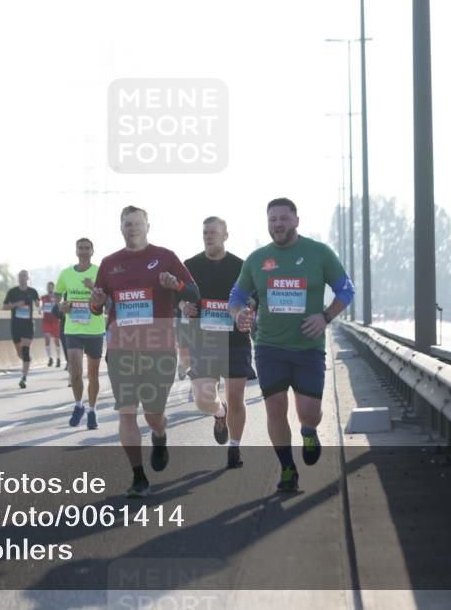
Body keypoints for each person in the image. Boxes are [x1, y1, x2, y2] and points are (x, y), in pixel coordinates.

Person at [228, 198, 354, 492]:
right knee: (275, 408)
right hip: (269, 347)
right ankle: (287, 468)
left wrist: (325, 317)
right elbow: (236, 296)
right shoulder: (257, 259)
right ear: (267, 223)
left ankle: (309, 431)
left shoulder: (319, 253)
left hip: (309, 347)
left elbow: (346, 289)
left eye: (284, 218)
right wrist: (239, 314)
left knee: (308, 412)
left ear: (296, 220)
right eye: (273, 219)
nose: (278, 224)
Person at [90, 206, 199, 498]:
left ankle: (160, 435)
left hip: (158, 347)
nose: (132, 228)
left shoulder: (165, 257)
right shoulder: (110, 263)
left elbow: (193, 294)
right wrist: (96, 300)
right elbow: (96, 305)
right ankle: (138, 477)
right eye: (127, 224)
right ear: (120, 227)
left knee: (153, 414)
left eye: (137, 223)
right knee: (127, 413)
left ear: (148, 226)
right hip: (121, 349)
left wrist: (174, 284)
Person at [180, 217, 254, 469]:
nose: (208, 236)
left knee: (236, 397)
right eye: (205, 233)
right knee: (203, 399)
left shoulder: (240, 266)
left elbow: (254, 299)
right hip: (203, 341)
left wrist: (247, 309)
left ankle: (235, 447)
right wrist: (182, 305)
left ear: (225, 235)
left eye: (213, 232)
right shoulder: (190, 266)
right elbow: (176, 298)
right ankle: (219, 413)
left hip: (235, 340)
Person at [55, 237, 106, 430]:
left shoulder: (99, 272)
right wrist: (61, 305)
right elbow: (58, 294)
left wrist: (92, 288)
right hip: (73, 329)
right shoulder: (66, 274)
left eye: (87, 248)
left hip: (94, 329)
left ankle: (92, 410)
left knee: (93, 375)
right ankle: (79, 405)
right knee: (75, 373)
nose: (84, 251)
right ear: (76, 251)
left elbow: (107, 298)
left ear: (92, 251)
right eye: (80, 248)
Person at [3, 270, 40, 389]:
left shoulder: (32, 291)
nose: (22, 278)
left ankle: (23, 378)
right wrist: (15, 305)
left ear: (28, 278)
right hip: (16, 325)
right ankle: (27, 362)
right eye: (20, 276)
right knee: (19, 352)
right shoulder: (12, 292)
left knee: (25, 350)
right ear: (18, 278)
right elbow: (4, 307)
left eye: (24, 276)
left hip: (28, 325)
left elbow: (39, 303)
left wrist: (40, 305)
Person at [39, 281, 63, 368]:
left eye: (51, 287)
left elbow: (60, 305)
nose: (49, 288)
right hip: (46, 321)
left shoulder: (56, 297)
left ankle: (58, 358)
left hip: (56, 321)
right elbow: (41, 305)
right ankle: (50, 358)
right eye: (48, 287)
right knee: (47, 338)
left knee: (56, 341)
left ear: (53, 288)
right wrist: (40, 308)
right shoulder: (43, 297)